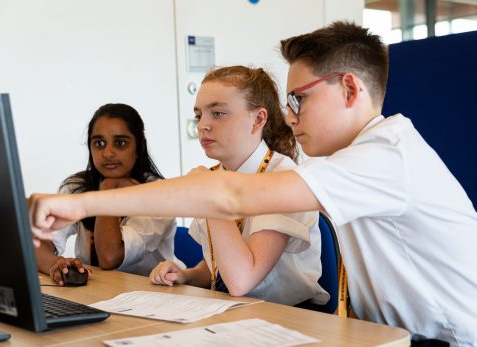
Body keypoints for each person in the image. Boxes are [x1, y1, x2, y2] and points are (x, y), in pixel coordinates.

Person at [29, 22, 477, 346]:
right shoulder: (351, 162)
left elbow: (226, 198)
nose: (291, 114)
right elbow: (222, 202)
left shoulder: (385, 156)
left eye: (298, 98)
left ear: (349, 89)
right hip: (387, 335)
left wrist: (82, 205)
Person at [149, 66, 329, 306]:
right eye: (199, 115)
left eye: (218, 113)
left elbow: (241, 280)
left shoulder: (283, 178)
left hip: (287, 317)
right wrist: (188, 275)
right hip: (232, 313)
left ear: (258, 119)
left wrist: (211, 194)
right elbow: (221, 265)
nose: (202, 125)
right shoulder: (216, 176)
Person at [34, 103, 179, 285]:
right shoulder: (76, 187)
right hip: (98, 291)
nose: (108, 153)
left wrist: (107, 192)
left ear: (139, 146)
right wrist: (56, 266)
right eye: (99, 143)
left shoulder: (158, 195)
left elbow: (109, 257)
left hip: (153, 296)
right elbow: (38, 244)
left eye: (120, 143)